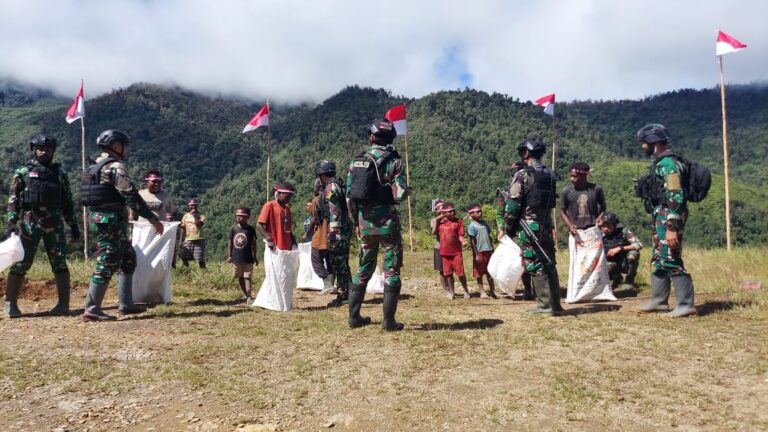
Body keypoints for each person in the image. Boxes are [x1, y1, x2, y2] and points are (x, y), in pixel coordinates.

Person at [80, 129, 163, 321]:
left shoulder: (94, 166)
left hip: (103, 219)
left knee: (128, 257)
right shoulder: (115, 166)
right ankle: (92, 308)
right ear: (116, 146)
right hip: (111, 222)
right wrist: (152, 219)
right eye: (125, 146)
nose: (127, 150)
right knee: (107, 260)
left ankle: (126, 304)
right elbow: (130, 195)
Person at [4, 134, 80, 318]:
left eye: (47, 149)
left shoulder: (60, 173)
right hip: (30, 220)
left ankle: (63, 305)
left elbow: (67, 201)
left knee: (60, 261)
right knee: (22, 261)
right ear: (34, 149)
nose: (44, 151)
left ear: (53, 151)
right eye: (40, 148)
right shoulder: (23, 172)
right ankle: (11, 304)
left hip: (54, 221)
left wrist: (74, 225)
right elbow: (13, 199)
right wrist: (12, 222)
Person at [346, 119, 409, 331]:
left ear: (371, 137)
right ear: (391, 138)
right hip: (388, 224)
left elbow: (349, 197)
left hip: (364, 223)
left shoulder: (357, 162)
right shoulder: (395, 162)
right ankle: (388, 321)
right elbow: (399, 195)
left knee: (364, 267)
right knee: (391, 270)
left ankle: (354, 317)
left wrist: (356, 221)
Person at [635, 124, 696, 317]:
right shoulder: (660, 163)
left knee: (670, 256)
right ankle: (659, 300)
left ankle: (686, 304)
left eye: (644, 142)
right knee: (659, 257)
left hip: (669, 216)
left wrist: (672, 226)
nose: (642, 146)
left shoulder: (669, 164)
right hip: (660, 215)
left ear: (653, 141)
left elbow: (675, 195)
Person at [499, 138, 562, 315]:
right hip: (546, 224)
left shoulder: (523, 175)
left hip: (529, 226)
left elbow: (512, 205)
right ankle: (555, 304)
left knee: (534, 262)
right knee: (550, 262)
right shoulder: (550, 174)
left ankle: (544, 305)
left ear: (526, 153)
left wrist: (509, 227)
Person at [314, 160, 353, 307]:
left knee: (339, 263)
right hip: (343, 228)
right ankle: (349, 292)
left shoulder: (331, 187)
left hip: (338, 230)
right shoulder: (336, 184)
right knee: (342, 262)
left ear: (322, 174)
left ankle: (344, 294)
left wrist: (333, 232)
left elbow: (334, 210)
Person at [559, 162, 606, 245]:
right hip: (576, 233)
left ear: (584, 176)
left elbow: (603, 206)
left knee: (595, 258)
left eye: (574, 176)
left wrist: (599, 217)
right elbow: (562, 212)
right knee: (578, 258)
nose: (571, 179)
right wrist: (570, 226)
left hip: (593, 231)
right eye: (570, 176)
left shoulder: (596, 189)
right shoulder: (566, 191)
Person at [432, 203, 470, 299]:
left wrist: (462, 240)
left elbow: (460, 235)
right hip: (444, 253)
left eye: (453, 210)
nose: (453, 212)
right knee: (448, 274)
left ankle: (466, 291)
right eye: (450, 211)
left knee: (460, 273)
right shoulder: (439, 223)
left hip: (456, 252)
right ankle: (452, 292)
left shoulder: (458, 222)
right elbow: (433, 232)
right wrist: (437, 220)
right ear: (444, 213)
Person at [599, 212, 642, 290]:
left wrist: (620, 248)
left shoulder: (623, 232)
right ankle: (616, 279)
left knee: (633, 255)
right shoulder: (598, 236)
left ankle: (629, 281)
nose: (606, 229)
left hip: (624, 262)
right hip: (609, 264)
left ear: (614, 226)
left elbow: (639, 245)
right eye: (603, 226)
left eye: (609, 226)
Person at [227, 207, 258, 302]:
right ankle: (245, 293)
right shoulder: (233, 228)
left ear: (247, 218)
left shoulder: (251, 229)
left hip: (248, 258)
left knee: (247, 277)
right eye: (237, 216)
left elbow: (254, 243)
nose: (238, 218)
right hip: (236, 258)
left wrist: (255, 256)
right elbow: (230, 242)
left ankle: (249, 296)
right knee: (240, 277)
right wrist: (229, 255)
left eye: (241, 216)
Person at [255, 182, 297, 251]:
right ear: (279, 193)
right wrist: (269, 238)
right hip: (274, 247)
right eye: (287, 197)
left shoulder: (287, 209)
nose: (288, 199)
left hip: (286, 248)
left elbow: (288, 229)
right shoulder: (269, 205)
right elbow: (259, 225)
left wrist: (293, 241)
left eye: (290, 197)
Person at [466, 204, 497, 298]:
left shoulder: (484, 223)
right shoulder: (472, 226)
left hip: (488, 250)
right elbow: (472, 241)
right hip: (479, 252)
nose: (480, 213)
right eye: (478, 212)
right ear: (471, 214)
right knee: (479, 273)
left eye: (480, 211)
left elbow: (489, 237)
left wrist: (492, 249)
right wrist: (476, 255)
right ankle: (482, 291)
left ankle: (492, 291)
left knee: (490, 272)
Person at [429, 200, 450, 298]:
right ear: (436, 211)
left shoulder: (449, 218)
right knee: (441, 270)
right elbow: (433, 232)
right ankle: (445, 289)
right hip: (439, 247)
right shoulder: (434, 220)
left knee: (449, 269)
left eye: (443, 208)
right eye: (439, 209)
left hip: (450, 247)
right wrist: (437, 220)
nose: (441, 211)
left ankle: (450, 288)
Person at [180, 198, 206, 269]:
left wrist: (194, 216)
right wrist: (181, 240)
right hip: (188, 240)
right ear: (188, 206)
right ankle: (186, 272)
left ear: (197, 206)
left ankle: (203, 274)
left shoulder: (201, 216)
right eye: (191, 205)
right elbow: (183, 228)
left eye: (195, 205)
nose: (193, 206)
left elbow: (199, 225)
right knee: (184, 258)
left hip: (199, 240)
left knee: (200, 259)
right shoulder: (185, 216)